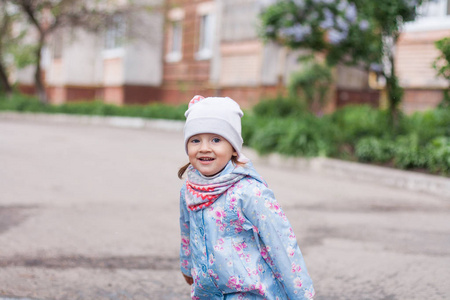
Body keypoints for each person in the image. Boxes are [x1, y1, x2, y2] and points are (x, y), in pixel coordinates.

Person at [178, 95, 315, 299]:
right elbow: (186, 227)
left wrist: (301, 294)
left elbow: (280, 241)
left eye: (216, 139)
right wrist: (187, 265)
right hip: (207, 293)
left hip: (249, 293)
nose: (204, 148)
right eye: (195, 140)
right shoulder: (190, 189)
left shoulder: (249, 192)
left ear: (233, 148)